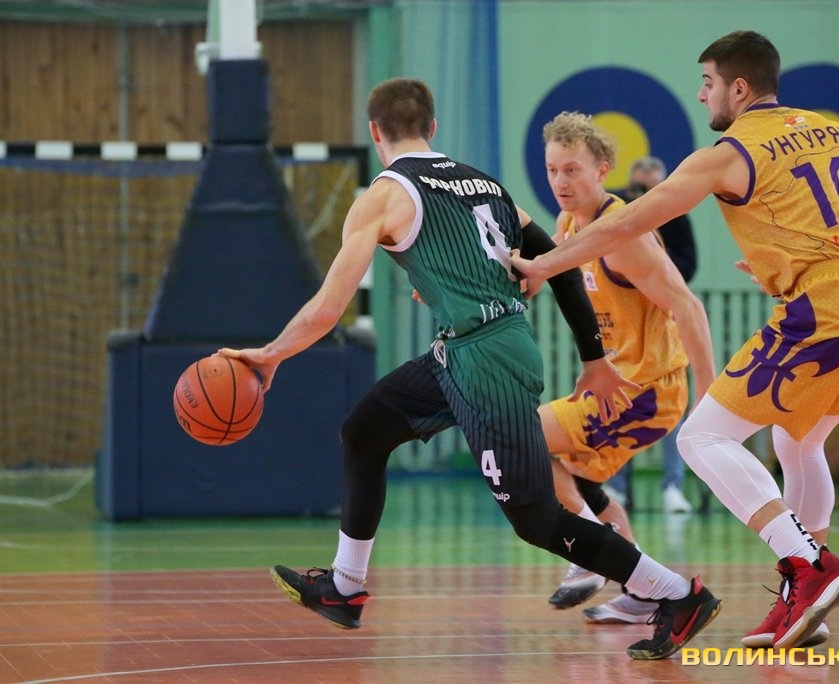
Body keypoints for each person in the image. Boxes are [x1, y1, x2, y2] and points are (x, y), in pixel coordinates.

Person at [219, 78, 721, 661]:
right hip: (463, 350)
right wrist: (591, 356)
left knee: (535, 518)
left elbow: (329, 309)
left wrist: (270, 355)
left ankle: (675, 594)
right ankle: (345, 586)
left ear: (375, 132)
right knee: (365, 430)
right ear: (432, 128)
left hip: (487, 360)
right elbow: (555, 265)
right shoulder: (483, 182)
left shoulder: (383, 196)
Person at [511, 31, 839, 650]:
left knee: (701, 438)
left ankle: (810, 566)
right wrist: (784, 261)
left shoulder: (727, 153)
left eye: (707, 83)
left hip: (829, 304)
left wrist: (542, 264)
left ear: (738, 88)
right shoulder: (832, 131)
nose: (701, 96)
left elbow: (629, 221)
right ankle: (805, 602)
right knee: (799, 441)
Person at [536, 113, 716, 624]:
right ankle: (642, 592)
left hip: (648, 391)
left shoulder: (625, 236)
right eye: (552, 170)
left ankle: (589, 552)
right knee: (572, 477)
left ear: (602, 170)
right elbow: (538, 275)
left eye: (572, 170)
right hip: (614, 386)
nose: (560, 182)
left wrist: (709, 398)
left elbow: (689, 307)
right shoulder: (570, 225)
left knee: (521, 437)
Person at [605, 155, 699, 514]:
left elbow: (689, 265)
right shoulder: (616, 210)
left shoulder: (676, 216)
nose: (645, 193)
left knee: (671, 404)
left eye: (652, 187)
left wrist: (654, 266)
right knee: (618, 402)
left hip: (662, 317)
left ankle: (673, 486)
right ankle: (616, 485)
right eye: (639, 187)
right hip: (623, 321)